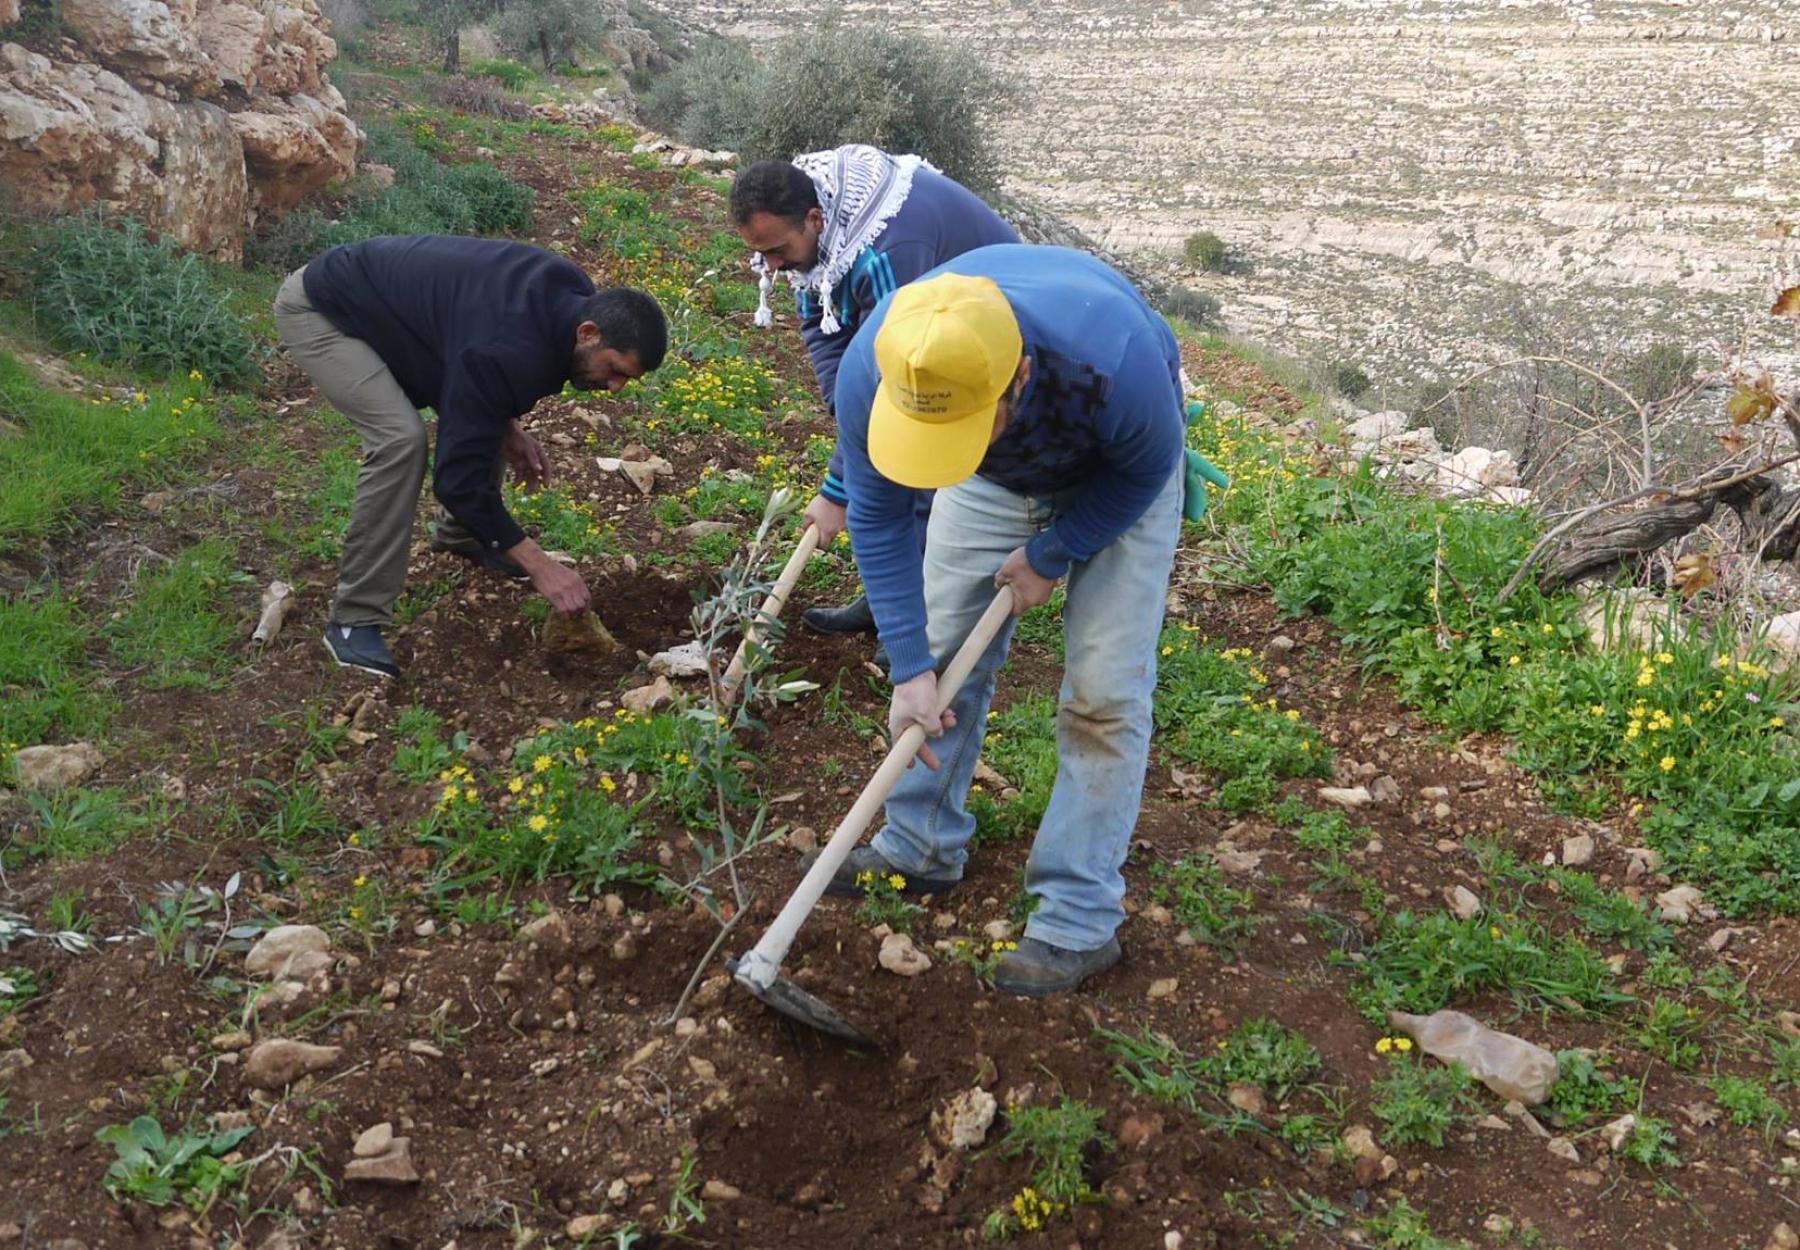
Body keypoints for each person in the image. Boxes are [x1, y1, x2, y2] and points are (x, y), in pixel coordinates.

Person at [818, 244, 1187, 997]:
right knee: (945, 653)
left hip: (1116, 473)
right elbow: (882, 516)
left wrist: (1055, 552)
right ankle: (919, 847)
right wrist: (911, 666)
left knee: (1104, 695)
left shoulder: (1114, 361)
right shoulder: (881, 366)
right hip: (993, 478)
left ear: (1015, 378)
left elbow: (1147, 471)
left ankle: (1078, 918)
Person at [274, 235, 667, 679]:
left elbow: (478, 368)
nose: (615, 387)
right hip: (325, 310)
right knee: (399, 441)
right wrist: (540, 567)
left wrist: (507, 427)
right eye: (614, 370)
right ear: (588, 332)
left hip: (398, 316)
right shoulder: (507, 347)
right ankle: (354, 621)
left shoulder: (569, 299)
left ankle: (463, 535)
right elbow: (457, 478)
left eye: (626, 380)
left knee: (485, 415)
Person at [729, 146, 1018, 667]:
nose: (770, 265)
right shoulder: (817, 225)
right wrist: (847, 406)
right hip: (923, 326)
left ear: (814, 220)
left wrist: (839, 485)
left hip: (987, 335)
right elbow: (819, 316)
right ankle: (887, 605)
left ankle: (921, 627)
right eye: (761, 253)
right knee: (881, 456)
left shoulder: (887, 247)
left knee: (923, 470)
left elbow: (900, 384)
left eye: (776, 250)